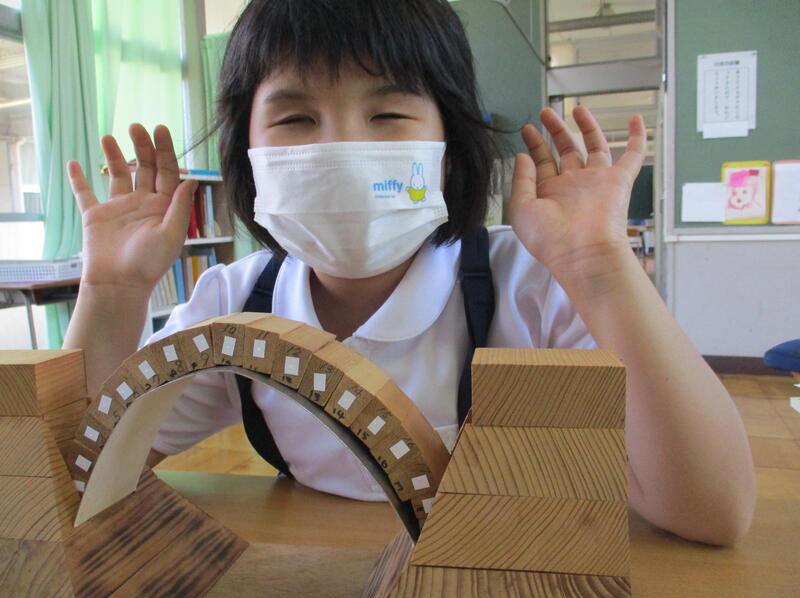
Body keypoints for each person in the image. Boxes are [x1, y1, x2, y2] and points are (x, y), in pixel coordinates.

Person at [63, 0, 755, 546]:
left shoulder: (532, 285)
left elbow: (712, 510)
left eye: (388, 113)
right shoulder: (234, 302)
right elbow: (80, 476)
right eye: (296, 118)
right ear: (247, 153)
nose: (342, 148)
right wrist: (112, 292)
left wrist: (599, 265)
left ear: (448, 150)